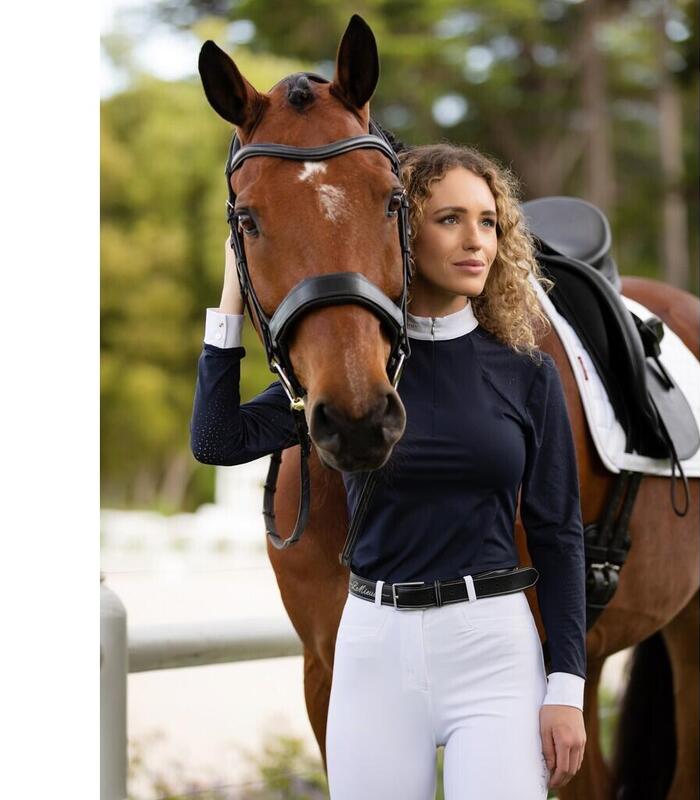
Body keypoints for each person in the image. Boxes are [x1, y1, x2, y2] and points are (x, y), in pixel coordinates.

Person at [190, 142, 587, 799]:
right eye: (450, 219)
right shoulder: (350, 372)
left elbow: (559, 534)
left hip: (493, 648)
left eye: (488, 222)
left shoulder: (526, 371)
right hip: (375, 647)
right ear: (401, 228)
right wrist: (232, 290)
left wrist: (566, 687)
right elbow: (216, 439)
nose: (475, 242)